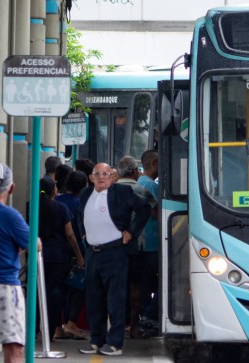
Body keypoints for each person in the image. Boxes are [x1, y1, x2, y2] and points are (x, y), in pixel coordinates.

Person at [77, 163, 150, 356]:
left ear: (113, 176)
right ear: (91, 177)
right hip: (92, 252)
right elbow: (79, 215)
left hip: (115, 251)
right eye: (97, 174)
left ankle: (115, 343)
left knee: (115, 298)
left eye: (106, 174)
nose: (101, 177)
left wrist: (131, 233)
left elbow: (144, 208)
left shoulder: (122, 192)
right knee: (93, 298)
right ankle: (96, 340)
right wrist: (84, 233)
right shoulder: (85, 194)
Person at [0, 163, 35, 363]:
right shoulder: (11, 216)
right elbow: (34, 244)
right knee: (14, 350)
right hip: (5, 289)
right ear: (11, 188)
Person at [39, 176, 84, 341]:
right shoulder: (61, 208)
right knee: (55, 293)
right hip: (58, 257)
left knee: (37, 292)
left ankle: (36, 329)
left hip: (38, 256)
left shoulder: (31, 207)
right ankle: (52, 331)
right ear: (54, 191)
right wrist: (79, 256)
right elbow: (70, 235)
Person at [115, 156, 156, 339]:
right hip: (137, 246)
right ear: (134, 172)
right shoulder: (142, 190)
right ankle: (134, 326)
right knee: (136, 286)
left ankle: (117, 326)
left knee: (115, 286)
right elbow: (155, 213)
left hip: (112, 246)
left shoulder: (110, 190)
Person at [55, 170, 89, 339]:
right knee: (77, 288)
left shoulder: (56, 201)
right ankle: (71, 324)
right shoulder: (80, 204)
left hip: (58, 252)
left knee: (58, 289)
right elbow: (76, 232)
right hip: (75, 252)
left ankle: (57, 327)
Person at [137, 150, 161, 334]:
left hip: (142, 243)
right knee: (163, 283)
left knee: (146, 284)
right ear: (153, 163)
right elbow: (157, 213)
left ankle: (145, 317)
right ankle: (148, 315)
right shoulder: (150, 186)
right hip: (153, 241)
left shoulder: (139, 182)